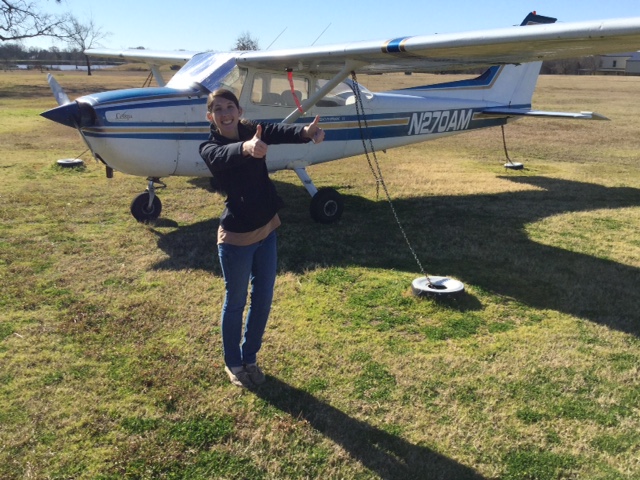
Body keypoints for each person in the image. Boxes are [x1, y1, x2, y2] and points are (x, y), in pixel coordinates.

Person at [199, 88, 325, 388]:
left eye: (230, 106)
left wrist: (305, 133)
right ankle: (233, 362)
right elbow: (223, 155)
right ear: (210, 116)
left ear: (239, 111)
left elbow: (278, 131)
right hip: (236, 239)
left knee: (264, 298)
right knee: (236, 301)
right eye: (218, 109)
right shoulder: (209, 147)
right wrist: (247, 148)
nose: (225, 113)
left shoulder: (252, 129)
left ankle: (250, 357)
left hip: (268, 228)